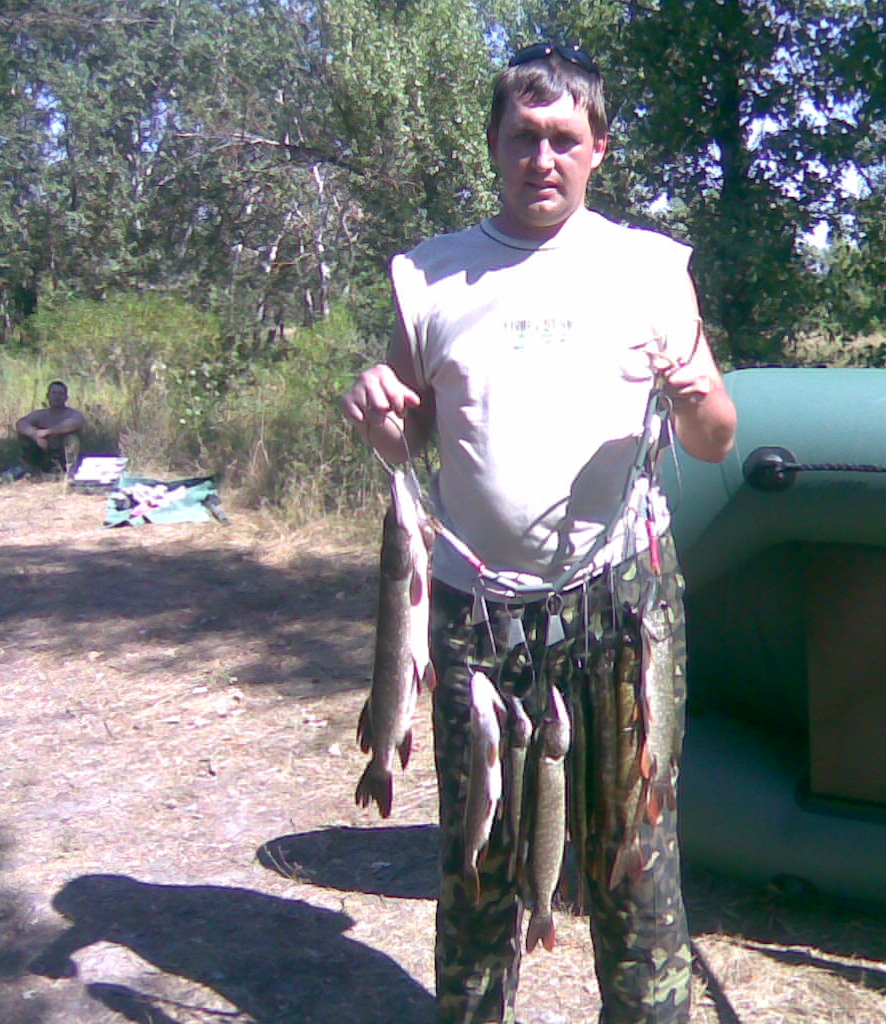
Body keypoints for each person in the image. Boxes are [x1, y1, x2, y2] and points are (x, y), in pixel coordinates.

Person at [342, 41, 737, 1024]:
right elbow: (408, 435)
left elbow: (715, 437)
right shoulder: (430, 276)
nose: (542, 158)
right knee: (480, 854)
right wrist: (379, 412)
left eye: (564, 138)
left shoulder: (649, 269)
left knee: (633, 860)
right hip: (477, 613)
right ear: (492, 143)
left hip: (623, 608)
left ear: (598, 148)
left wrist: (695, 394)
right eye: (523, 137)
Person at [16, 380, 85, 475]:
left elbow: (75, 423)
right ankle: (27, 469)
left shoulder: (73, 414)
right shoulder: (41, 414)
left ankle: (70, 472)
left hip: (62, 455)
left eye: (60, 394)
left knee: (72, 439)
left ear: (66, 397)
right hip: (44, 454)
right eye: (54, 393)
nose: (57, 396)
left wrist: (46, 432)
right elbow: (21, 423)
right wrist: (35, 436)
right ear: (48, 396)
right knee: (25, 437)